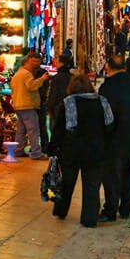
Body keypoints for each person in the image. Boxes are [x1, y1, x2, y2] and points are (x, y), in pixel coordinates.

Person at [49, 73, 114, 227]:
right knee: (92, 187)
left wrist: (53, 148)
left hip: (72, 151)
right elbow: (110, 126)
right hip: (96, 151)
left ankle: (61, 210)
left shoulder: (68, 103)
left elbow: (58, 129)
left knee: (67, 183)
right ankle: (89, 219)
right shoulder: (102, 101)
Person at [99, 54, 130, 221]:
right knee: (127, 175)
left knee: (112, 177)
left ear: (109, 67)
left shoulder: (108, 87)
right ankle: (125, 209)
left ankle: (110, 210)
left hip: (115, 140)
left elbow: (106, 115)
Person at [9, 52, 50, 160]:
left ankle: (18, 150)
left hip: (19, 105)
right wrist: (42, 79)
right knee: (33, 129)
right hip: (27, 105)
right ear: (27, 62)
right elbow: (31, 86)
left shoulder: (17, 74)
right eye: (33, 63)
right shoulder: (26, 74)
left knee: (21, 130)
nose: (35, 66)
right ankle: (36, 153)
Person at [44, 52, 76, 143]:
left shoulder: (57, 78)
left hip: (58, 108)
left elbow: (53, 94)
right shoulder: (72, 77)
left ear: (61, 63)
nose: (55, 63)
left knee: (55, 131)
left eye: (57, 62)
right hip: (71, 107)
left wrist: (49, 108)